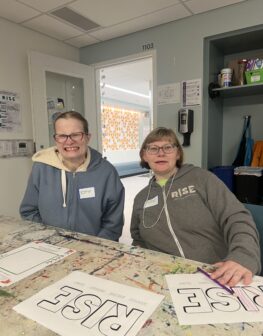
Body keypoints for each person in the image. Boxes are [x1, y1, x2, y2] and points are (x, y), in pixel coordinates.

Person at [131, 127, 261, 286]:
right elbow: (138, 240)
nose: (161, 153)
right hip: (167, 277)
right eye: (153, 148)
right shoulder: (141, 198)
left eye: (168, 147)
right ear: (144, 156)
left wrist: (243, 256)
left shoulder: (202, 179)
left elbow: (237, 217)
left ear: (178, 153)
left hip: (218, 273)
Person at [20, 111, 124, 241]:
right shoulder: (41, 168)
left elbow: (113, 222)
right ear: (55, 139)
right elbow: (29, 211)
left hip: (93, 249)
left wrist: (95, 246)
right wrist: (48, 239)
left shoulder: (107, 172)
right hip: (50, 246)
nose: (69, 142)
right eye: (62, 136)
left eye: (76, 135)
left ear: (87, 137)